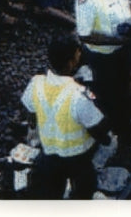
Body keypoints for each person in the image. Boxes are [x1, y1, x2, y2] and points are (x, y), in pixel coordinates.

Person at [21, 35, 108, 199]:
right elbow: (97, 129)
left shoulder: (36, 83)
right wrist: (106, 140)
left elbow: (31, 117)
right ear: (70, 63)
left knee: (52, 191)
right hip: (78, 157)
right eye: (77, 55)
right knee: (83, 190)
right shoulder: (79, 95)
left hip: (49, 152)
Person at [74, 0, 131, 144]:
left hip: (122, 50)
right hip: (103, 58)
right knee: (110, 95)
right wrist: (117, 41)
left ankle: (125, 119)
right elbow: (85, 35)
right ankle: (116, 130)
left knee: (124, 86)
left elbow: (128, 3)